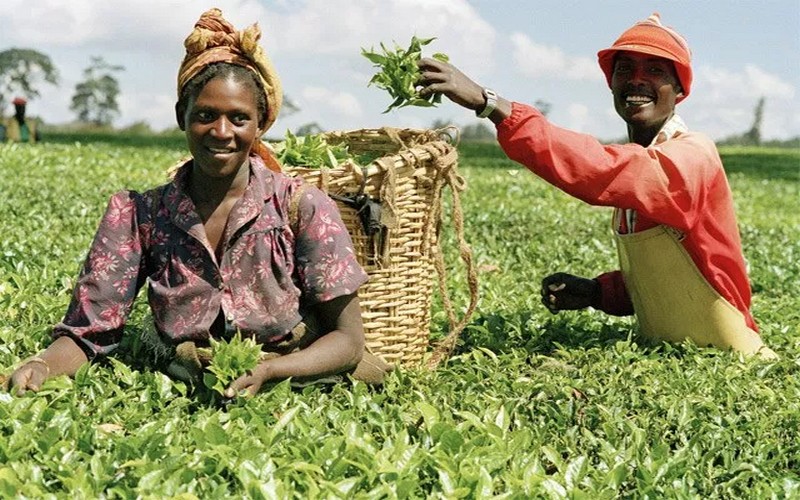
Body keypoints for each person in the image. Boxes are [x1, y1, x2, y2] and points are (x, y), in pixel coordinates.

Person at [6, 8, 390, 397]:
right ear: (182, 117)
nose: (221, 132)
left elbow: (348, 341)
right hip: (187, 377)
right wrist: (41, 366)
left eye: (239, 119)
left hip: (290, 371)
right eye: (205, 115)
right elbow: (90, 332)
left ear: (261, 124)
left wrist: (271, 371)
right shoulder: (141, 214)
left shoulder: (301, 205)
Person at [417, 13, 776, 358]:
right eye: (625, 70)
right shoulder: (641, 164)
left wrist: (491, 104)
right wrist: (598, 292)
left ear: (680, 89)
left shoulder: (692, 155)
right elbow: (666, 281)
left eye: (655, 70)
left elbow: (602, 168)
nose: (637, 80)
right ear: (612, 84)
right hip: (670, 353)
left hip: (730, 354)